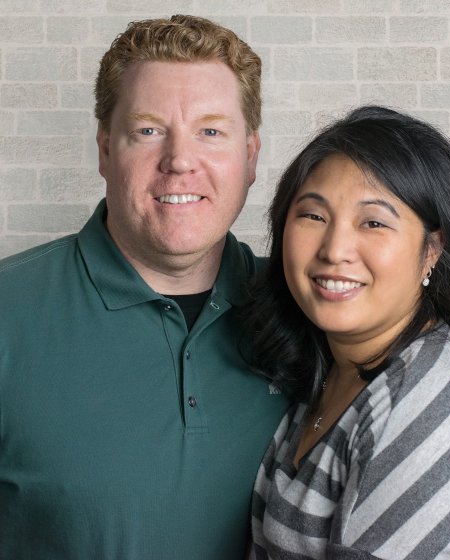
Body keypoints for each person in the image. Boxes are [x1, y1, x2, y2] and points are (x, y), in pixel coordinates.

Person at [0, 15, 289, 560]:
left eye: (210, 131)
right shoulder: (7, 314)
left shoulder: (308, 309)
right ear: (105, 151)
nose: (179, 161)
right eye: (148, 131)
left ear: (250, 156)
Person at [246, 105, 450, 559]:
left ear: (431, 250)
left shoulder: (428, 391)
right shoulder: (331, 365)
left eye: (373, 222)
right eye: (313, 216)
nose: (335, 250)